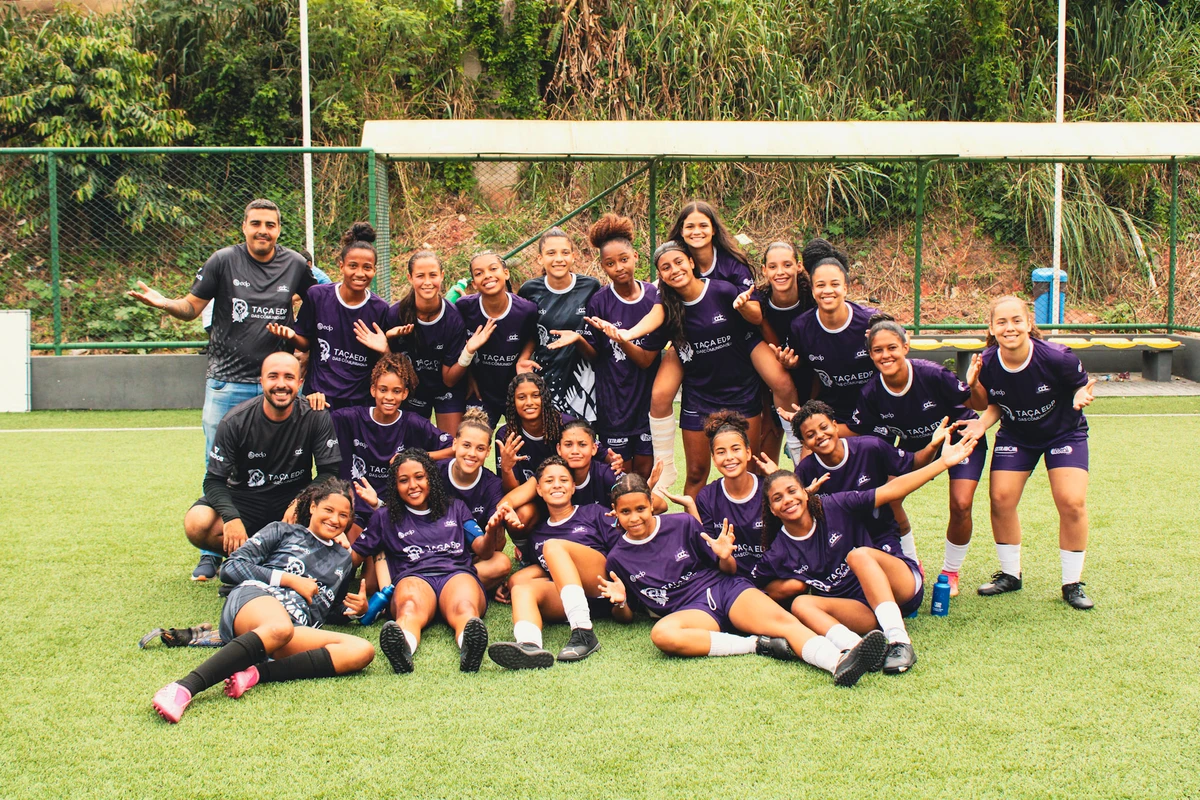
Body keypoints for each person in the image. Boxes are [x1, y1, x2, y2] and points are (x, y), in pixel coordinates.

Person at [600, 474, 887, 687]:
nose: (635, 517)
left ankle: (840, 661)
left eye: (640, 509)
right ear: (615, 513)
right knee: (661, 635)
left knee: (786, 624)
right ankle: (757, 644)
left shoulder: (682, 524)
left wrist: (725, 556)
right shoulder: (617, 558)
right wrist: (621, 601)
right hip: (693, 613)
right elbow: (627, 617)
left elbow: (726, 569)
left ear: (651, 504)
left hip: (726, 590)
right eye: (625, 512)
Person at [754, 430, 978, 676]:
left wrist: (942, 463)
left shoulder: (835, 505)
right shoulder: (778, 550)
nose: (787, 500)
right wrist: (788, 587)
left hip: (898, 587)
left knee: (859, 555)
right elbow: (755, 590)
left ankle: (899, 641)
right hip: (861, 610)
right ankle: (856, 649)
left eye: (792, 491)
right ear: (772, 510)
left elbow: (891, 491)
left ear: (806, 492)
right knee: (801, 603)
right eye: (777, 498)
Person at [151, 480, 375, 723]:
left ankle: (255, 673)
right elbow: (232, 568)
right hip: (255, 598)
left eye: (343, 515)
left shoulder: (343, 558)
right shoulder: (282, 530)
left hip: (294, 628)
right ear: (312, 507)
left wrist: (354, 610)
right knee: (279, 627)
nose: (335, 519)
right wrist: (289, 580)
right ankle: (183, 688)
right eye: (329, 510)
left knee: (362, 650)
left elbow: (327, 608)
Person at [605, 240, 798, 498]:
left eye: (678, 262)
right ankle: (693, 532)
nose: (674, 270)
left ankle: (754, 527)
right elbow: (652, 320)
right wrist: (626, 334)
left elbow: (757, 318)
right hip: (700, 395)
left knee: (749, 470)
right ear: (660, 275)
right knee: (696, 473)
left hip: (741, 391)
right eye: (665, 267)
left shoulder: (722, 291)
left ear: (691, 262)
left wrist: (770, 342)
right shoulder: (668, 306)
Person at [129, 198, 316, 464]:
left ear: (279, 230)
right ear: (244, 227)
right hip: (228, 382)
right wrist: (165, 303)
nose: (263, 230)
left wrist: (306, 350)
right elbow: (191, 308)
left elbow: (319, 306)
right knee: (219, 466)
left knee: (280, 462)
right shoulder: (223, 260)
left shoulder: (295, 264)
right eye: (256, 223)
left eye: (270, 225)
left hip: (278, 383)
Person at [961, 296, 1098, 610]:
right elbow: (987, 404)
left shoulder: (1056, 357)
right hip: (1018, 435)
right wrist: (980, 419)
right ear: (992, 328)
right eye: (1002, 322)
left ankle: (1072, 583)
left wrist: (1080, 395)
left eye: (1016, 321)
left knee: (1071, 501)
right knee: (1001, 499)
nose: (1010, 328)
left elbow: (1081, 385)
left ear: (1028, 324)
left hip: (1065, 432)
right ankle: (1011, 574)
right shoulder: (987, 361)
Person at [851, 313, 988, 596]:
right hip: (915, 444)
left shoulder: (932, 374)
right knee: (889, 497)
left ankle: (950, 572)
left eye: (891, 347)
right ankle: (912, 564)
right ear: (871, 355)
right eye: (878, 350)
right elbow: (860, 432)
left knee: (961, 504)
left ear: (905, 346)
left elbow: (978, 403)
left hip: (958, 436)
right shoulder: (871, 393)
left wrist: (973, 383)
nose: (886, 355)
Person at [185, 352, 341, 581]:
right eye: (273, 377)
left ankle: (255, 563)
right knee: (197, 522)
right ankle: (262, 560)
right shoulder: (235, 421)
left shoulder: (315, 416)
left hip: (293, 500)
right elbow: (213, 480)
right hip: (246, 500)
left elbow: (330, 472)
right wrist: (231, 518)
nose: (281, 384)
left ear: (299, 383)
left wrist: (301, 501)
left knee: (338, 513)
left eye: (289, 377)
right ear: (261, 381)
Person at [352, 449, 509, 673]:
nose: (413, 485)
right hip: (414, 577)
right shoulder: (384, 517)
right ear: (395, 486)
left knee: (464, 607)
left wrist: (492, 531)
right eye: (403, 480)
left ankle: (469, 648)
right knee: (409, 608)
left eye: (419, 477)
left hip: (455, 573)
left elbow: (482, 551)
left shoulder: (455, 507)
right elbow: (355, 554)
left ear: (431, 478)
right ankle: (403, 648)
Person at [488, 458, 623, 669]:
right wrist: (511, 582)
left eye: (563, 480)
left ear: (573, 486)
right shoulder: (538, 533)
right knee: (522, 588)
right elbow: (544, 571)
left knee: (553, 547)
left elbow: (623, 549)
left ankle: (584, 633)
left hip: (602, 585)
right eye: (549, 481)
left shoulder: (593, 513)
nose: (557, 485)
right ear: (539, 490)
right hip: (576, 600)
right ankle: (529, 645)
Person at [785, 400, 951, 563]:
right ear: (804, 443)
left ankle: (911, 563)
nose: (820, 436)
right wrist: (806, 495)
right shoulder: (806, 471)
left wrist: (933, 446)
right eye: (810, 435)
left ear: (835, 425)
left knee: (902, 589)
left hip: (880, 533)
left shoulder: (871, 447)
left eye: (824, 427)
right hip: (837, 542)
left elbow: (912, 463)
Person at [267, 222, 393, 409]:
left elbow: (386, 363)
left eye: (367, 267)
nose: (360, 273)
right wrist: (293, 336)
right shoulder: (317, 296)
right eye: (352, 266)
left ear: (375, 270)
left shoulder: (381, 308)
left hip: (359, 402)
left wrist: (384, 350)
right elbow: (306, 343)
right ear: (341, 266)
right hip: (319, 397)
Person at [322, 353, 454, 531]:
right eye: (383, 390)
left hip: (396, 509)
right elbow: (316, 423)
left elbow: (455, 448)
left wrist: (413, 458)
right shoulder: (348, 418)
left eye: (396, 391)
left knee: (382, 556)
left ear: (405, 393)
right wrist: (313, 401)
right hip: (357, 508)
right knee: (352, 555)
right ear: (373, 390)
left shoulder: (414, 423)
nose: (389, 397)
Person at [578, 213, 664, 481]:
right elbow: (594, 354)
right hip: (614, 404)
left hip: (648, 404)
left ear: (636, 256)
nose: (619, 267)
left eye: (624, 259)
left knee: (646, 476)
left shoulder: (655, 296)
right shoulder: (598, 301)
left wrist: (621, 338)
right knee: (622, 478)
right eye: (610, 263)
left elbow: (647, 361)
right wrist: (579, 340)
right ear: (603, 267)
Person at [774, 240, 878, 426]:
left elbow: (896, 354)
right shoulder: (801, 327)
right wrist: (793, 364)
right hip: (829, 415)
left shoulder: (871, 321)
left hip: (873, 413)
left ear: (845, 288)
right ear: (813, 290)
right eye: (821, 285)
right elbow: (803, 370)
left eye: (835, 284)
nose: (827, 291)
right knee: (810, 452)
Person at [736, 240, 815, 462]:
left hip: (811, 381)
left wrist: (797, 364)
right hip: (773, 385)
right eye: (772, 267)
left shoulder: (813, 301)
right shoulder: (757, 301)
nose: (780, 272)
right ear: (764, 270)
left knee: (811, 460)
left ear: (799, 266)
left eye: (787, 265)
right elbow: (757, 359)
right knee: (764, 459)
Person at [666, 412, 765, 577]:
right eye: (721, 452)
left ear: (748, 453)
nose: (729, 457)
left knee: (793, 586)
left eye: (736, 449)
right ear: (713, 458)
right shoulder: (707, 497)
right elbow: (714, 557)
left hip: (768, 573)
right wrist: (691, 506)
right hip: (730, 578)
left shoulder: (768, 488)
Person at [518, 227, 602, 420]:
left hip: (581, 379)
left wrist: (578, 339)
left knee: (579, 444)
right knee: (546, 442)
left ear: (573, 257)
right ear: (540, 259)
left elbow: (597, 335)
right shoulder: (530, 290)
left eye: (565, 253)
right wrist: (523, 358)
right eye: (551, 253)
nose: (559, 259)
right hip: (544, 376)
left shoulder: (591, 286)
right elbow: (530, 332)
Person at [386, 250, 472, 435]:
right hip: (413, 389)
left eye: (433, 275)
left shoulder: (454, 318)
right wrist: (387, 340)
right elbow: (386, 364)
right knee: (412, 452)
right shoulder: (395, 315)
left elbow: (449, 380)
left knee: (450, 446)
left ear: (442, 276)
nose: (427, 282)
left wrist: (470, 351)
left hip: (445, 387)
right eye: (420, 276)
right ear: (410, 278)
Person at [454, 252, 540, 428]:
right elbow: (459, 344)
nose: (487, 276)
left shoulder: (526, 310)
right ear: (474, 284)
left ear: (506, 273)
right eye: (479, 273)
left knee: (525, 443)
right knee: (472, 435)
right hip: (480, 392)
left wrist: (524, 357)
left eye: (493, 269)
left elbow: (533, 336)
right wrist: (469, 378)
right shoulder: (464, 308)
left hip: (515, 390)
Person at [493, 373, 619, 491]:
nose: (529, 402)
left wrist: (614, 460)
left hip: (564, 491)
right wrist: (506, 468)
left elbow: (602, 454)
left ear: (545, 398)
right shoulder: (506, 435)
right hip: (531, 494)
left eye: (536, 396)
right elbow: (512, 492)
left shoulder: (568, 426)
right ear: (513, 402)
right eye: (521, 397)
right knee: (524, 512)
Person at [436, 408, 512, 593]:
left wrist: (497, 525)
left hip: (471, 557)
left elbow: (498, 545)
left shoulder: (493, 485)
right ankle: (458, 587)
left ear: (488, 452)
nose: (472, 454)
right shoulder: (434, 473)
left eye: (480, 448)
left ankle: (448, 586)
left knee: (501, 563)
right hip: (434, 552)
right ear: (455, 444)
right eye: (466, 445)